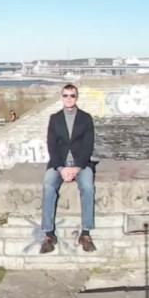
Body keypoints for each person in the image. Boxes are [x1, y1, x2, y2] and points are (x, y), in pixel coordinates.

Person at [40, 84, 97, 253]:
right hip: (59, 164)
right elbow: (52, 145)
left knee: (87, 187)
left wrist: (77, 167)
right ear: (61, 97)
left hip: (81, 163)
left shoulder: (85, 118)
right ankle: (49, 234)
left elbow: (88, 145)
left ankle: (85, 233)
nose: (69, 98)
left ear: (76, 97)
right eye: (66, 95)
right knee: (48, 186)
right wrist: (60, 168)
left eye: (72, 95)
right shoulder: (55, 118)